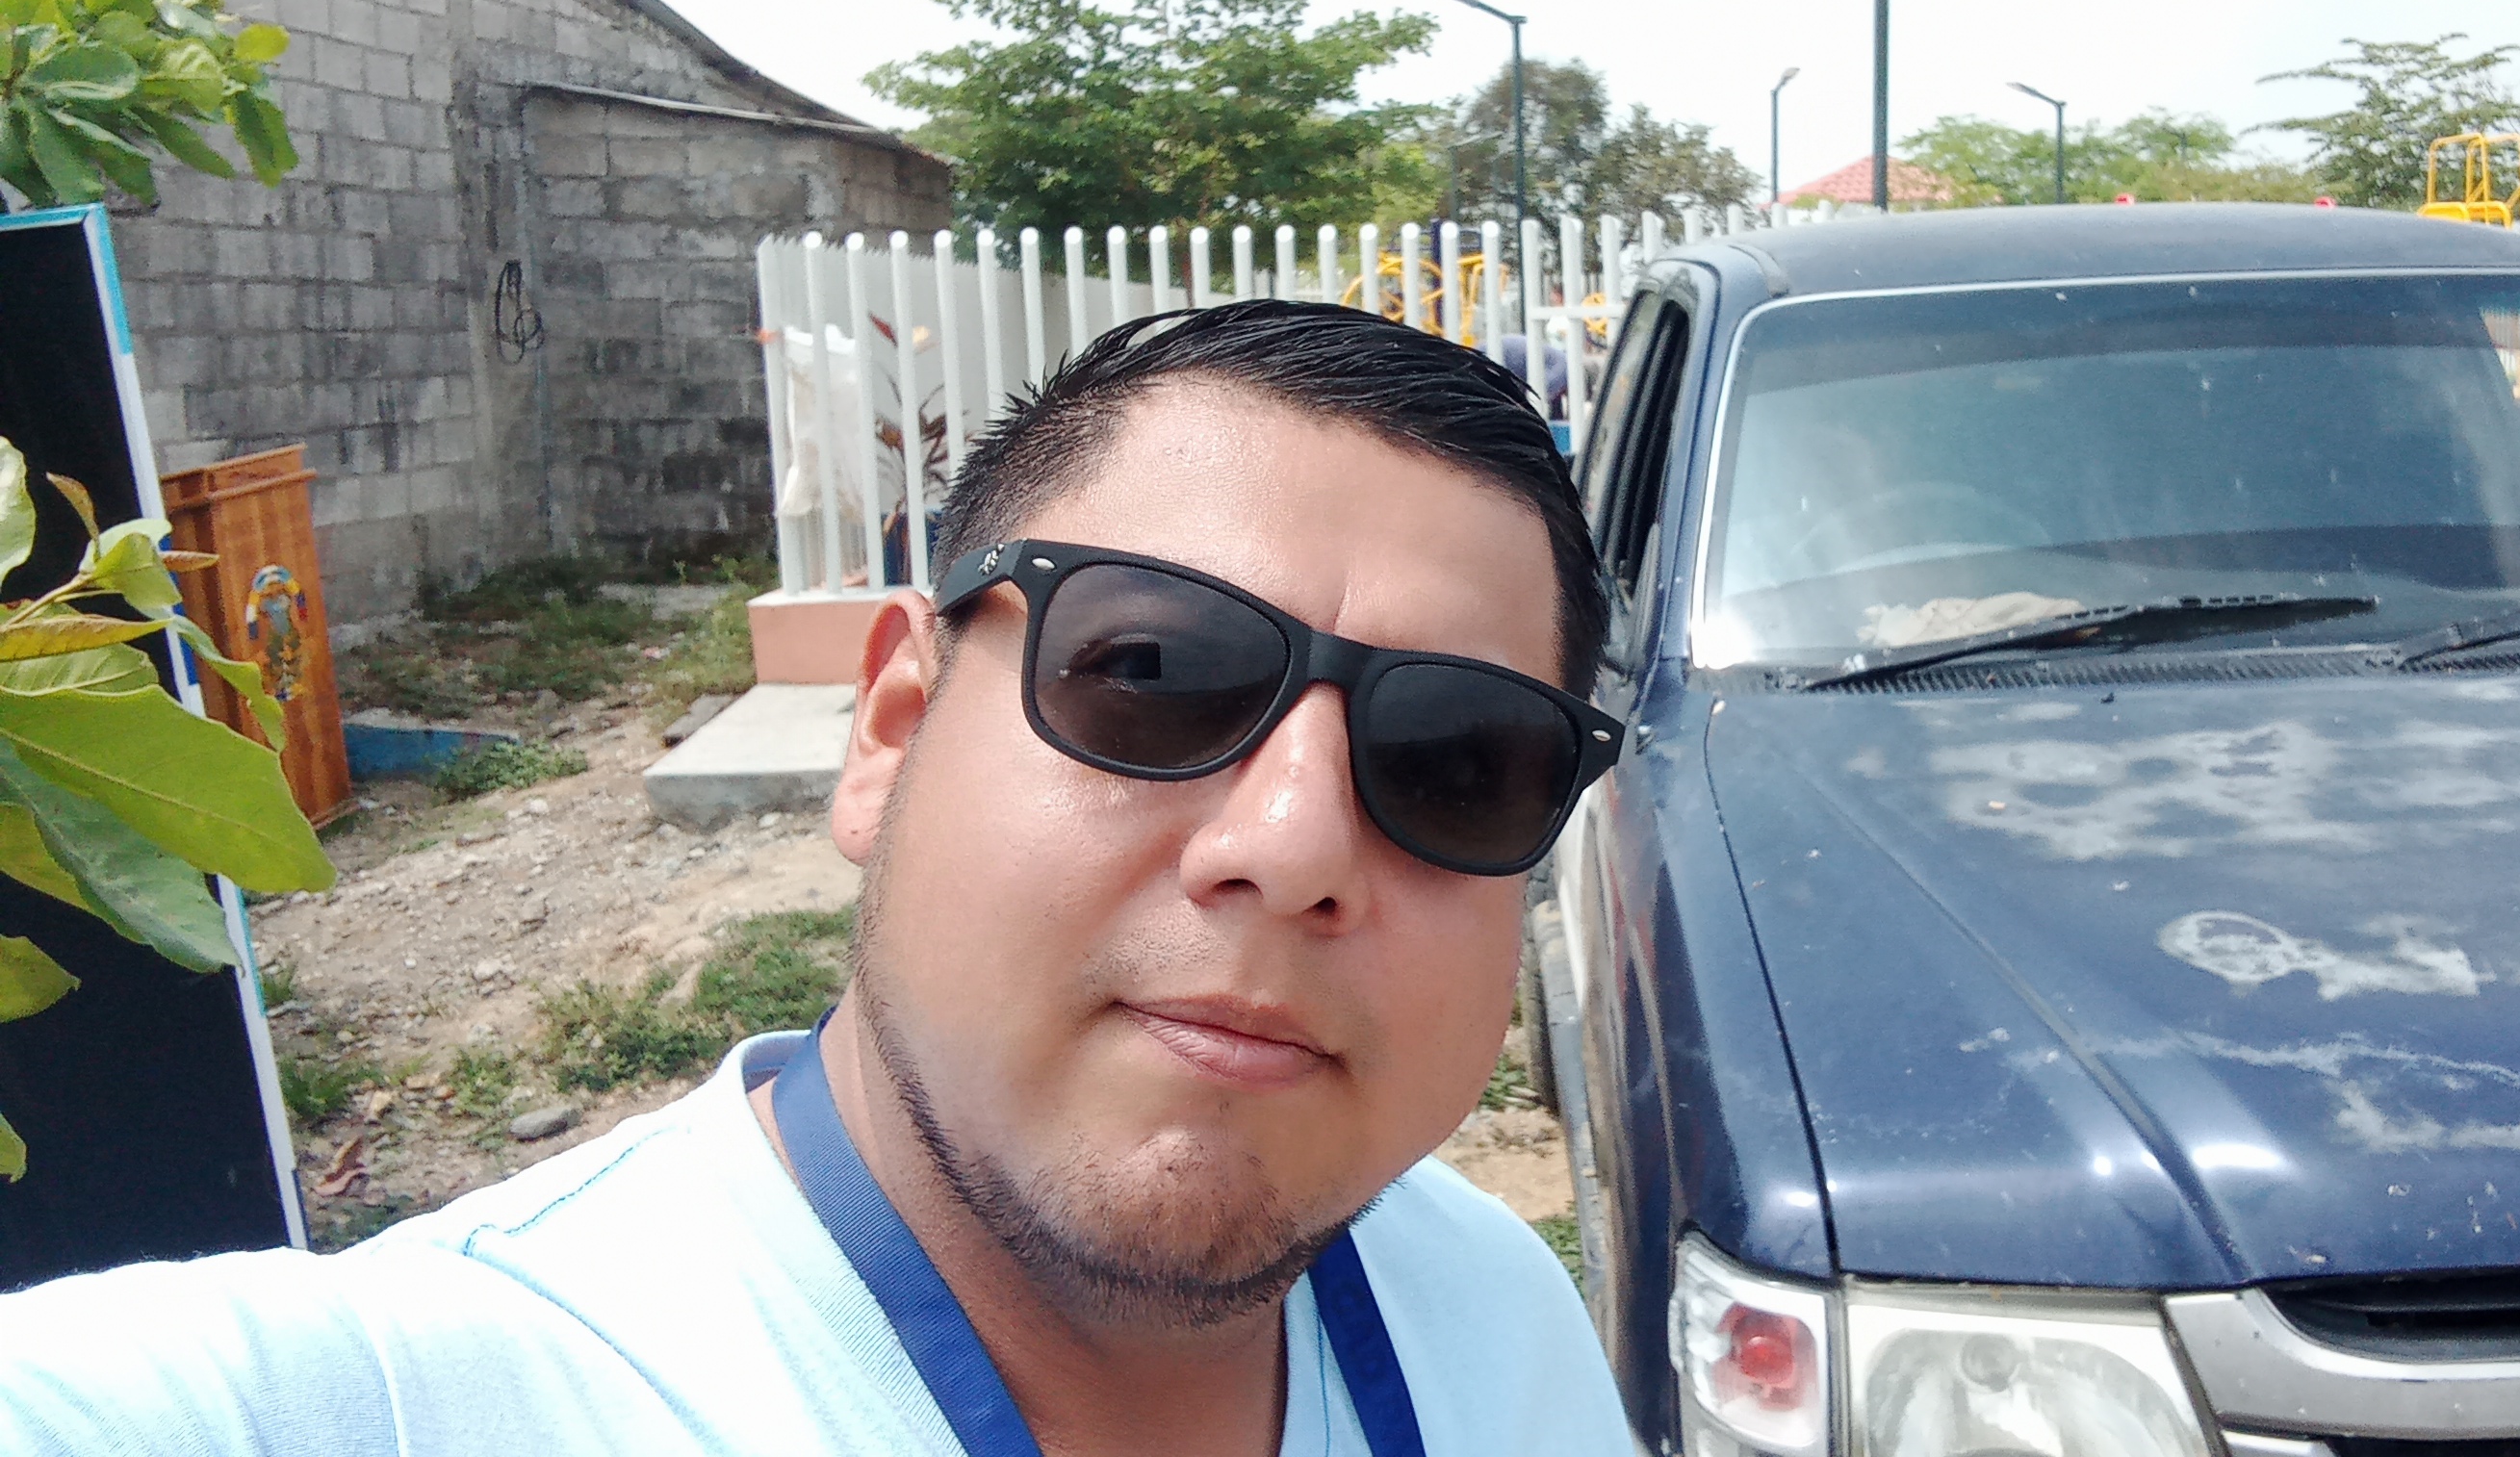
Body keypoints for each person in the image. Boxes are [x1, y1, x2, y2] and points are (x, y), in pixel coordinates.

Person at [0, 300, 1634, 1456]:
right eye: (1150, 671)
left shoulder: (1491, 1311)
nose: (1291, 846)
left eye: (1458, 759)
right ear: (892, 731)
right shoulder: (379, 1400)